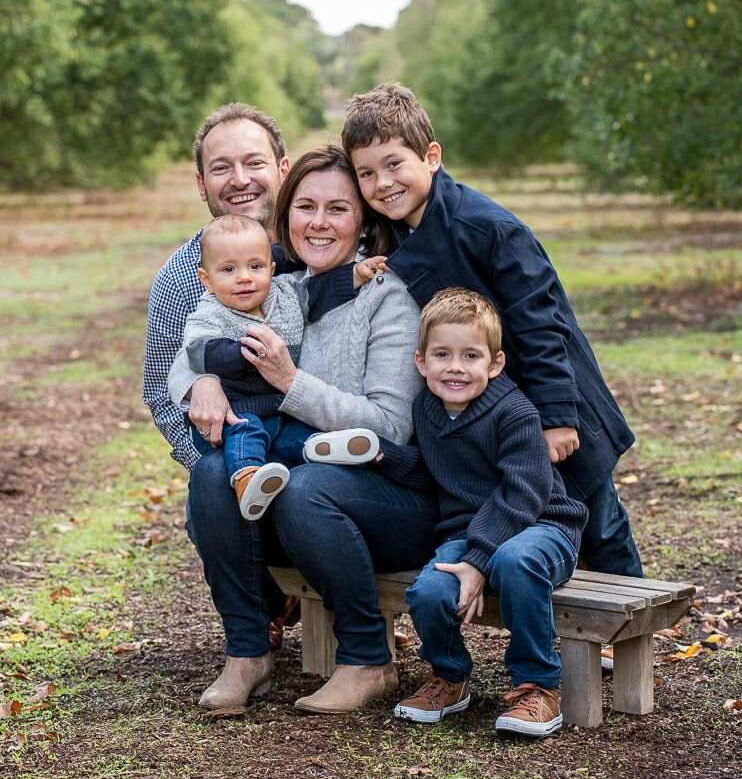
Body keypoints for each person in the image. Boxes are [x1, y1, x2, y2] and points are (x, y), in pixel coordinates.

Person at [340, 83, 642, 583]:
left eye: (394, 164)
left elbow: (541, 325)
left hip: (554, 397)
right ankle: (559, 628)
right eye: (366, 173)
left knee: (598, 517)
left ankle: (633, 631)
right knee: (532, 515)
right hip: (488, 405)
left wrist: (557, 416)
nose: (382, 183)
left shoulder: (489, 229)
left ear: (431, 157)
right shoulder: (389, 233)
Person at [185, 145, 436, 711]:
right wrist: (201, 381)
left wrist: (290, 380)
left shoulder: (387, 300)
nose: (318, 222)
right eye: (305, 206)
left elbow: (391, 427)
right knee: (209, 475)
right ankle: (248, 654)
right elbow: (202, 343)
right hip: (299, 489)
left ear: (364, 220)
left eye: (338, 209)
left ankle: (369, 659)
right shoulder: (276, 288)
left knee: (305, 487)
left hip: (387, 497)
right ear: (285, 215)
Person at [143, 104, 364, 653]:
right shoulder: (182, 275)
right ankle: (255, 632)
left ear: (283, 167)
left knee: (314, 485)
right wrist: (206, 401)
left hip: (324, 437)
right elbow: (160, 385)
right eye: (221, 167)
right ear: (201, 184)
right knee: (213, 485)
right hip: (242, 441)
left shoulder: (320, 244)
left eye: (253, 162)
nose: (239, 180)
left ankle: (350, 619)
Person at [388, 288, 587, 737]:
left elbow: (524, 492)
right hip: (470, 531)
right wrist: (380, 455)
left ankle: (538, 686)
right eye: (442, 354)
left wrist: (478, 559)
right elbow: (429, 470)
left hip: (542, 525)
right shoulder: (427, 408)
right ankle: (450, 676)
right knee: (429, 592)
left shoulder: (514, 413)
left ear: (494, 364)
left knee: (513, 561)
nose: (455, 367)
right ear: (421, 362)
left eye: (470, 355)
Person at [167, 213, 387, 520]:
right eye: (229, 269)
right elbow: (199, 352)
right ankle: (247, 480)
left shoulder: (286, 292)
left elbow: (321, 290)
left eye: (255, 267)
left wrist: (356, 275)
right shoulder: (209, 313)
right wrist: (247, 352)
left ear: (271, 268)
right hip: (243, 405)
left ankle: (324, 448)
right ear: (206, 278)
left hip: (285, 405)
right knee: (246, 436)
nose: (244, 277)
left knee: (298, 434)